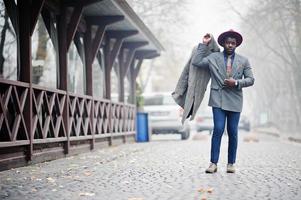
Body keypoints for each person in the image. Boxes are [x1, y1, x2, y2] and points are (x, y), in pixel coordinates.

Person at [192, 30, 255, 173]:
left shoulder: (244, 60)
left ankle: (231, 164)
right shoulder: (213, 57)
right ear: (223, 43)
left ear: (236, 44)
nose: (230, 45)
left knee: (232, 132)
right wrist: (203, 44)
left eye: (233, 43)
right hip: (218, 99)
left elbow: (251, 79)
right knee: (218, 129)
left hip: (235, 100)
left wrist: (237, 82)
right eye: (228, 42)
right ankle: (213, 164)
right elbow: (196, 62)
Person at [172, 34, 220, 124]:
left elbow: (197, 62)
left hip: (202, 87)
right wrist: (181, 88)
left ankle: (189, 112)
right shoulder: (196, 49)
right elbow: (187, 69)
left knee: (193, 101)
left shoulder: (215, 56)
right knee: (188, 99)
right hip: (192, 82)